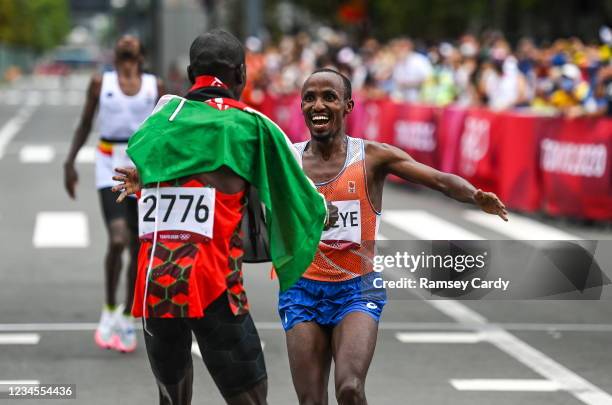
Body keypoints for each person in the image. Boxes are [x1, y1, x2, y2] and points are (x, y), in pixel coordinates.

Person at [112, 29, 334, 405]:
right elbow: (310, 205)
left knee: (171, 399)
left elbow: (152, 158)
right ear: (241, 75)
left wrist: (146, 177)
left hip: (156, 284)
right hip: (215, 285)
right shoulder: (252, 127)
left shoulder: (163, 116)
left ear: (188, 72)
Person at [278, 68, 508, 405]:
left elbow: (440, 180)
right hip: (301, 290)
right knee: (311, 401)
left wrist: (475, 196)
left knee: (350, 389)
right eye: (310, 98)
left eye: (329, 97)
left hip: (356, 289)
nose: (318, 105)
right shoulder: (289, 160)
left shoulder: (372, 157)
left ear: (348, 106)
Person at [63, 35, 164, 353]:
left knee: (137, 245)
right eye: (123, 39)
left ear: (141, 54)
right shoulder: (100, 82)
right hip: (108, 165)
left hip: (142, 170)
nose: (128, 39)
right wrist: (70, 162)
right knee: (117, 238)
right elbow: (84, 123)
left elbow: (164, 131)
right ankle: (108, 309)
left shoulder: (153, 86)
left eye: (134, 39)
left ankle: (125, 314)